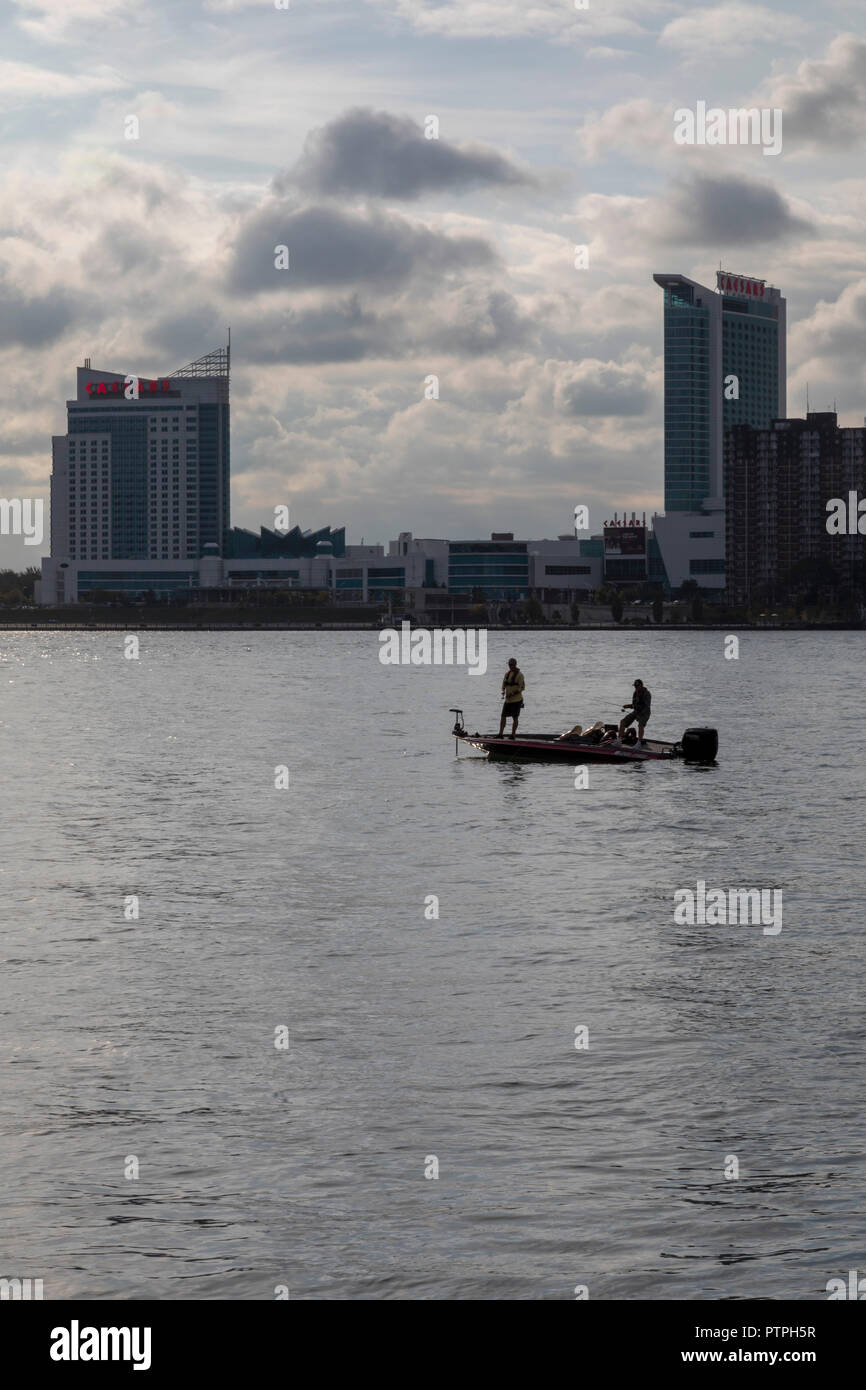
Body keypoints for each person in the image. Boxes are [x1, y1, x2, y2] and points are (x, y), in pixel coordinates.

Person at [498, 657, 525, 738]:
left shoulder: (520, 675)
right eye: (509, 665)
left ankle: (513, 734)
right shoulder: (507, 674)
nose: (510, 666)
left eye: (512, 665)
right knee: (503, 716)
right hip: (508, 700)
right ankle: (500, 734)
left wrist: (512, 693)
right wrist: (503, 691)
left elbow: (521, 688)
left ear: (515, 665)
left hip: (517, 700)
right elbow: (503, 685)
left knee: (515, 718)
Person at [619, 678, 651, 743]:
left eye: (637, 686)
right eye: (635, 686)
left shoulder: (647, 694)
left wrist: (639, 715)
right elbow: (634, 705)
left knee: (640, 725)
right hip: (636, 712)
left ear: (641, 685)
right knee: (622, 722)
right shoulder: (635, 693)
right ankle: (619, 740)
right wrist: (628, 706)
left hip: (645, 713)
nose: (636, 687)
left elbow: (646, 707)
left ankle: (639, 743)